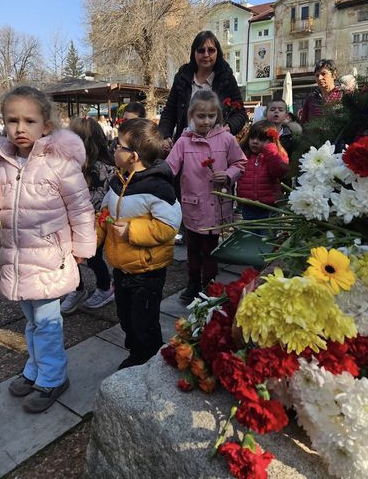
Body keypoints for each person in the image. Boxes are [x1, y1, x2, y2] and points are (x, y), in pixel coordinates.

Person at [0, 86, 96, 413]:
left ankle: (53, 377)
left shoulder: (60, 165)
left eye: (29, 121)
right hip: (19, 259)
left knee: (48, 322)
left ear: (46, 126)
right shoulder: (5, 163)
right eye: (12, 120)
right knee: (32, 321)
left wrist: (82, 249)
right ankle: (36, 369)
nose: (20, 128)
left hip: (49, 259)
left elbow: (81, 209)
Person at [98, 118, 181, 370]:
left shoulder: (156, 187)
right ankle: (137, 351)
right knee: (125, 317)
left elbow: (169, 227)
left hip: (148, 270)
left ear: (133, 156)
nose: (113, 149)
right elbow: (105, 214)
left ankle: (147, 360)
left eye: (118, 145)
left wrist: (132, 230)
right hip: (122, 266)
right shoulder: (119, 180)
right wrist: (94, 237)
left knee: (144, 321)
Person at [166, 91, 246, 304]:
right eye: (201, 116)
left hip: (217, 206)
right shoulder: (184, 142)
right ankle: (193, 283)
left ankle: (209, 285)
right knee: (193, 249)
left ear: (217, 115)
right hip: (193, 206)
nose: (206, 121)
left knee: (211, 249)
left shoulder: (227, 139)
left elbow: (240, 163)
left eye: (211, 116)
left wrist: (228, 175)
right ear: (191, 115)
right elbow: (170, 168)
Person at [61, 117, 115, 313]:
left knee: (93, 258)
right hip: (71, 220)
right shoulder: (69, 165)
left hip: (95, 223)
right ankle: (77, 288)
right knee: (68, 256)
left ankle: (105, 287)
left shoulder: (105, 167)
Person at [158, 31, 247, 149]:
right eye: (201, 50)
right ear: (193, 53)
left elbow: (240, 113)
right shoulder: (182, 77)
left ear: (217, 53)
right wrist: (165, 135)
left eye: (211, 50)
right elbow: (169, 112)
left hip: (217, 147)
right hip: (184, 147)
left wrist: (229, 127)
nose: (206, 54)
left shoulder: (226, 78)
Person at [236, 120, 289, 222]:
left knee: (267, 235)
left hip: (269, 206)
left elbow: (279, 172)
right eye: (252, 137)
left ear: (270, 141)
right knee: (250, 235)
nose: (255, 141)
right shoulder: (244, 154)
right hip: (248, 205)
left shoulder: (276, 155)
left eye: (261, 139)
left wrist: (270, 150)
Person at [301, 59, 342, 124]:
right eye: (317, 75)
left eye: (323, 74)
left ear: (334, 75)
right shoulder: (311, 98)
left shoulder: (342, 95)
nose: (319, 78)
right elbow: (303, 123)